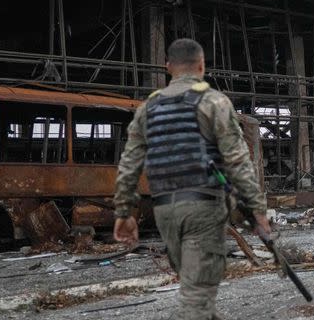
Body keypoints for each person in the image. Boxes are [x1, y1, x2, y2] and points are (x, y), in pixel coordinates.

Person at [113, 38, 269, 320]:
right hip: (203, 209)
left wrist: (124, 212)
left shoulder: (147, 109)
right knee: (196, 297)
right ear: (202, 65)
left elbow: (129, 164)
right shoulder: (214, 102)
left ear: (167, 67)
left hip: (163, 211)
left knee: (194, 285)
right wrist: (257, 208)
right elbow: (238, 161)